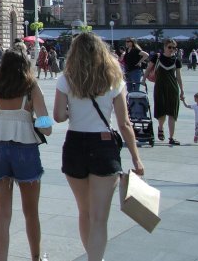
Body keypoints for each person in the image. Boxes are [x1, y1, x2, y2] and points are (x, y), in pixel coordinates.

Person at [54, 32, 144, 261]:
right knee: (99, 217)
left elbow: (58, 116)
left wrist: (73, 109)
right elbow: (124, 123)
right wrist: (136, 158)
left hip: (74, 144)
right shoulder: (114, 79)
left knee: (84, 212)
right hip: (104, 145)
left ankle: (94, 257)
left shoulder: (66, 79)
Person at [0, 50, 52, 261]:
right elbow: (46, 126)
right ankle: (36, 257)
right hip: (25, 148)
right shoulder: (30, 86)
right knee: (31, 212)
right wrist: (29, 118)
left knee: (2, 214)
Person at [148, 38, 184, 145]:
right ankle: (160, 127)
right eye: (169, 47)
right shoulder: (157, 57)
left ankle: (171, 138)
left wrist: (182, 90)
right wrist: (143, 79)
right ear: (164, 47)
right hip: (160, 87)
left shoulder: (176, 60)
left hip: (173, 88)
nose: (172, 49)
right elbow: (149, 69)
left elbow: (178, 76)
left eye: (174, 48)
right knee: (161, 111)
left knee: (172, 113)